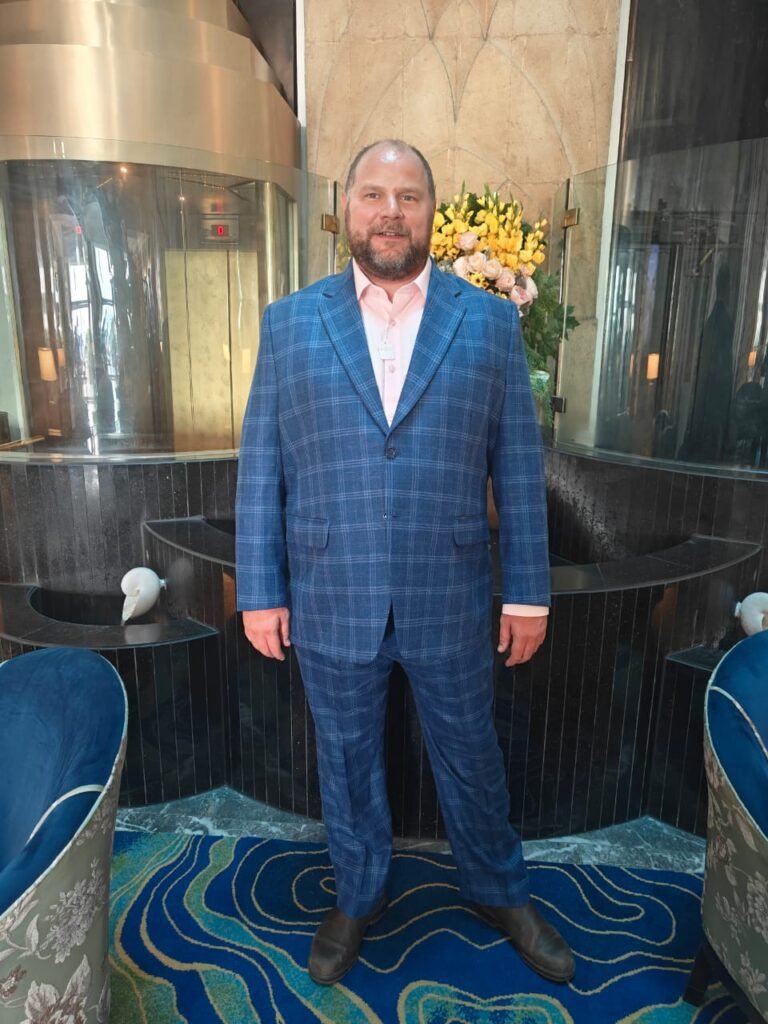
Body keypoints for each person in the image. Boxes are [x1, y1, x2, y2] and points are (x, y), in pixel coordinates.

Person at [235, 139, 575, 986]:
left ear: (430, 210)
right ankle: (358, 894)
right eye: (374, 194)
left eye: (409, 196)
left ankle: (499, 889)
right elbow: (262, 466)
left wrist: (528, 595)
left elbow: (518, 466)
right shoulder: (288, 323)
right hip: (330, 589)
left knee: (472, 754)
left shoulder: (489, 322)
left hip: (449, 590)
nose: (391, 211)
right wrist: (260, 591)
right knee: (346, 759)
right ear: (346, 209)